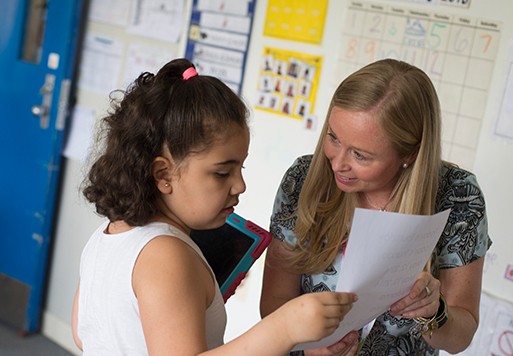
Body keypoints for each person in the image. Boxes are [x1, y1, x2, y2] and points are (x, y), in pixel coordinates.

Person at [71, 58, 358, 356]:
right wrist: (284, 328)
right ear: (163, 174)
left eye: (241, 168)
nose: (240, 186)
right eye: (222, 173)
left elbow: (84, 334)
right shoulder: (166, 254)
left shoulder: (108, 235)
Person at [260, 59, 491, 356]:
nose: (338, 163)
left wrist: (435, 312)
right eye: (333, 137)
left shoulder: (458, 196)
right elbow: (273, 305)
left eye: (360, 154)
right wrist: (311, 350)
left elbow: (461, 336)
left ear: (409, 153)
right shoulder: (304, 179)